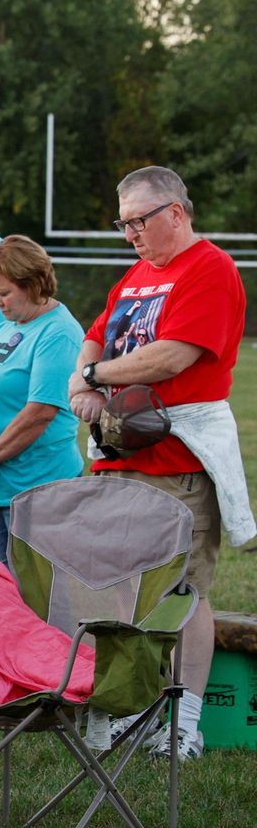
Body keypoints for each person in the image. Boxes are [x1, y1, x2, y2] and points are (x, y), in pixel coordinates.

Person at [67, 166, 248, 762]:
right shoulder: (139, 274)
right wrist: (85, 382)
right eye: (123, 223)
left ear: (176, 211)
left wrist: (93, 377)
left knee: (183, 591)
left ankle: (185, 722)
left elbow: (171, 356)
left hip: (177, 461)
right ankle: (144, 707)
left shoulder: (210, 268)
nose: (130, 234)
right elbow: (97, 334)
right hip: (121, 459)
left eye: (139, 221)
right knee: (123, 593)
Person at [0, 236, 83, 566]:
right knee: (8, 592)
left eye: (4, 293)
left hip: (37, 487)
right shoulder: (5, 328)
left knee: (38, 596)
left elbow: (40, 412)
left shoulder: (58, 333)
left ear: (33, 284)